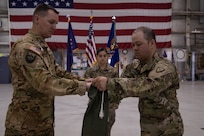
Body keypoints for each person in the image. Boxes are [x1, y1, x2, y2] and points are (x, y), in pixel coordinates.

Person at [5, 4, 91, 136]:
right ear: (37, 19)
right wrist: (82, 86)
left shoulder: (42, 46)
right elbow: (44, 82)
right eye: (51, 22)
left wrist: (85, 80)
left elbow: (57, 72)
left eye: (56, 23)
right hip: (24, 127)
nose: (55, 27)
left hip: (43, 123)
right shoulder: (26, 48)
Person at [92, 26, 184, 136]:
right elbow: (120, 86)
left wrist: (108, 83)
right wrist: (92, 87)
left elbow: (146, 87)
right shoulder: (136, 66)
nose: (135, 48)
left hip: (168, 129)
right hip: (147, 128)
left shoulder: (165, 68)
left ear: (152, 44)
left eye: (139, 44)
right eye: (133, 45)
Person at [83, 47, 119, 136]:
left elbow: (118, 87)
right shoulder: (91, 71)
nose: (102, 58)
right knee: (94, 127)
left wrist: (116, 103)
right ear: (96, 57)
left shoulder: (113, 71)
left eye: (104, 56)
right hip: (95, 103)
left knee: (107, 127)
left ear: (107, 57)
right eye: (100, 56)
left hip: (109, 104)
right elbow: (84, 83)